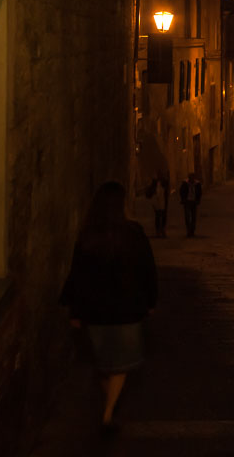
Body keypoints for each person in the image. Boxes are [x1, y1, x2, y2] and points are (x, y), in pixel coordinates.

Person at [60, 180, 158, 433]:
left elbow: (77, 274)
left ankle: (108, 407)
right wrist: (150, 301)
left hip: (96, 311)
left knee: (103, 362)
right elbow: (147, 269)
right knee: (120, 363)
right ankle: (108, 412)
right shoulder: (133, 234)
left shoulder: (88, 235)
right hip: (126, 310)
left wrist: (74, 310)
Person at [179, 172, 202, 237]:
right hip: (187, 201)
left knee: (193, 217)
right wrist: (183, 199)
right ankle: (188, 230)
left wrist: (198, 200)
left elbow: (199, 193)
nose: (192, 179)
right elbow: (181, 191)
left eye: (193, 177)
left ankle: (192, 230)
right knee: (187, 216)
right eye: (190, 177)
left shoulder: (197, 184)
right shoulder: (185, 183)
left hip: (194, 202)